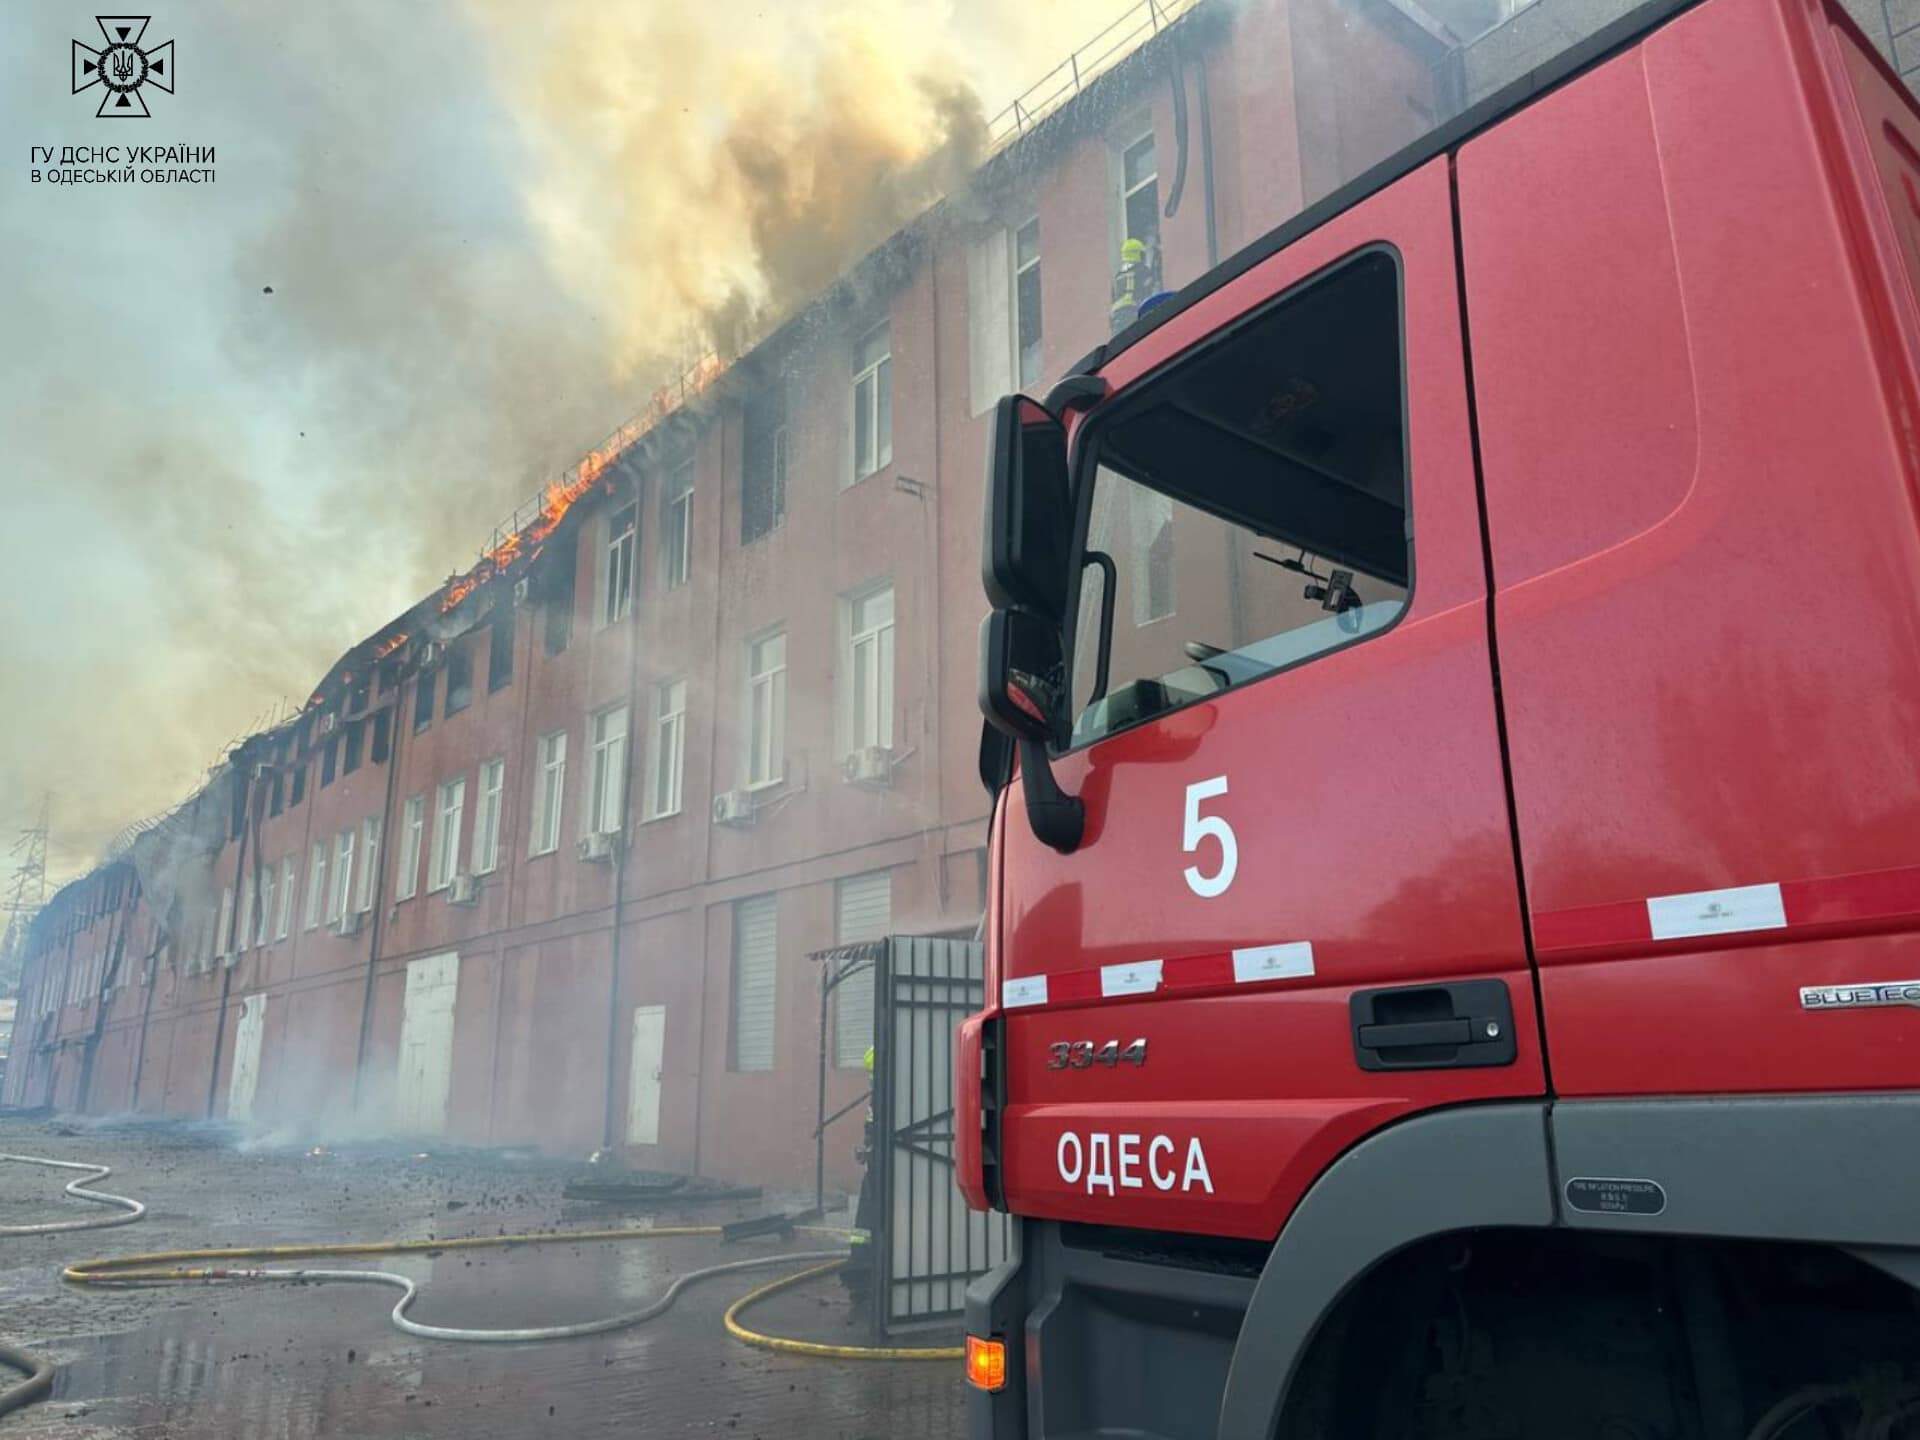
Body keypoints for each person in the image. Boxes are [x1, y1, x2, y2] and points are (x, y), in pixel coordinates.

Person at [840, 1044, 879, 1315]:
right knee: (866, 1221)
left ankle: (865, 1273)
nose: (872, 1079)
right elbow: (872, 1127)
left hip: (885, 1166)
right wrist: (867, 1149)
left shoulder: (889, 1092)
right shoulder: (881, 1094)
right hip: (879, 1165)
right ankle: (863, 1273)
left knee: (868, 1219)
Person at [1110, 235, 1162, 334]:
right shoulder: (1141, 270)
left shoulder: (1118, 275)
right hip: (1132, 310)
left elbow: (1113, 296)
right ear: (1137, 254)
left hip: (1117, 314)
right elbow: (1149, 288)